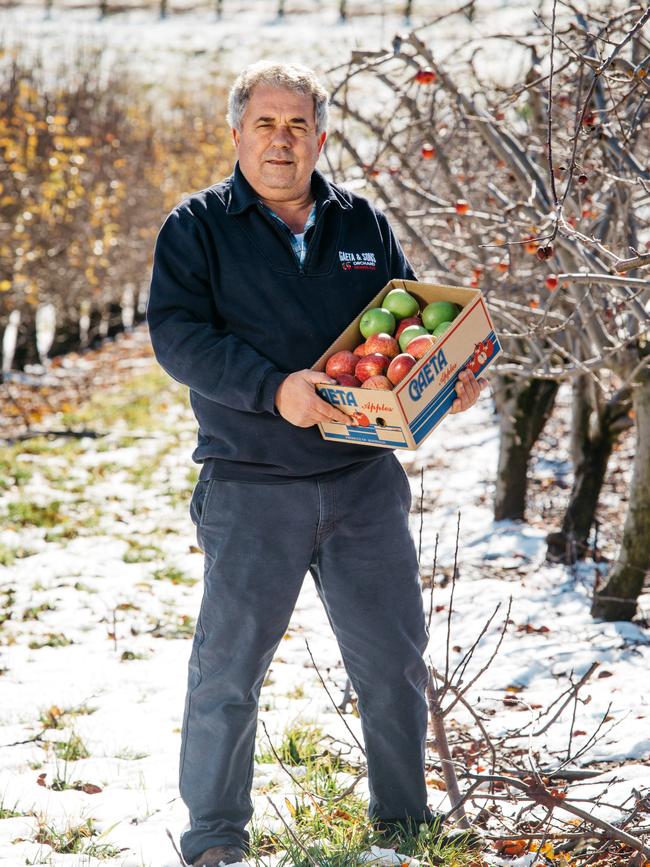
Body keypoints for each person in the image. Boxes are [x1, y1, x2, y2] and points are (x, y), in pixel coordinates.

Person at [147, 60, 487, 867]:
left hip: (361, 485)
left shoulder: (361, 225)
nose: (281, 140)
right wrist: (274, 391)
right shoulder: (196, 228)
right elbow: (177, 337)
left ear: (321, 137)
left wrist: (440, 384)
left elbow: (403, 334)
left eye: (297, 125)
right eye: (264, 124)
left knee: (394, 663)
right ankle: (216, 835)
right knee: (227, 673)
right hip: (252, 486)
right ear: (236, 135)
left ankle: (403, 823)